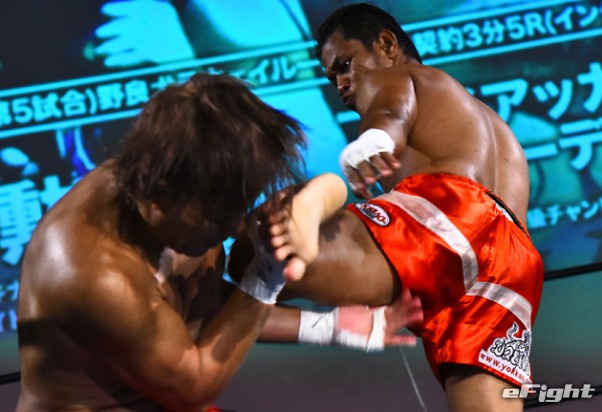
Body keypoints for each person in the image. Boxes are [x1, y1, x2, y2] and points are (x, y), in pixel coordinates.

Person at [16, 72, 421, 412]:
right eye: (219, 217)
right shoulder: (96, 274)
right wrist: (265, 279)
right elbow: (193, 386)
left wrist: (332, 326)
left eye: (238, 210)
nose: (232, 229)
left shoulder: (179, 179)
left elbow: (202, 304)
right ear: (159, 196)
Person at [244, 4, 544, 412]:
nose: (341, 83)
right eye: (332, 77)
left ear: (386, 45)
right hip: (514, 268)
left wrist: (375, 141)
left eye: (345, 65)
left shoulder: (400, 77)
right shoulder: (488, 122)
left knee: (253, 249)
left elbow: (391, 112)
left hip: (453, 215)